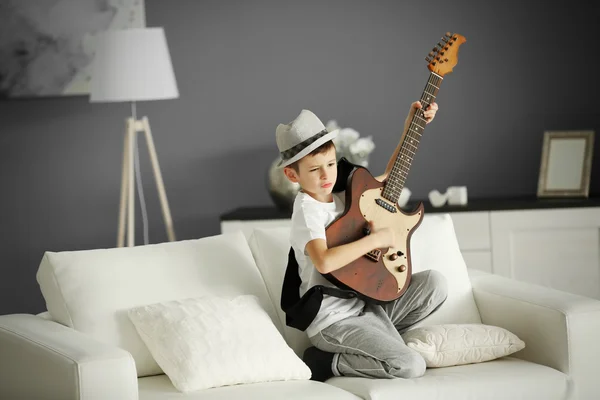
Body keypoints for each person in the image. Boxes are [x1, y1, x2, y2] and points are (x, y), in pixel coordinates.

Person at [276, 101, 448, 381]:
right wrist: (376, 240)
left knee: (436, 284)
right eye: (314, 170)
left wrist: (412, 125)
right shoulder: (307, 211)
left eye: (331, 164)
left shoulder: (345, 192)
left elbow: (389, 178)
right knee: (410, 366)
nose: (326, 176)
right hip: (332, 320)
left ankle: (380, 340)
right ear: (292, 174)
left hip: (366, 301)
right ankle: (328, 362)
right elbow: (324, 260)